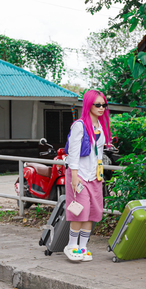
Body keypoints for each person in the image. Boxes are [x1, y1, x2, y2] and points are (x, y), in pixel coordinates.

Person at [63, 90, 112, 262]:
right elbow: (73, 154)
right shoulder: (79, 125)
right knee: (80, 210)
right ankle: (71, 245)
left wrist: (100, 174)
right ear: (88, 105)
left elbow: (98, 154)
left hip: (94, 176)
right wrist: (74, 178)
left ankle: (83, 246)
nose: (101, 108)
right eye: (97, 105)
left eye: (103, 105)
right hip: (80, 174)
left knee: (93, 211)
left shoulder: (100, 126)